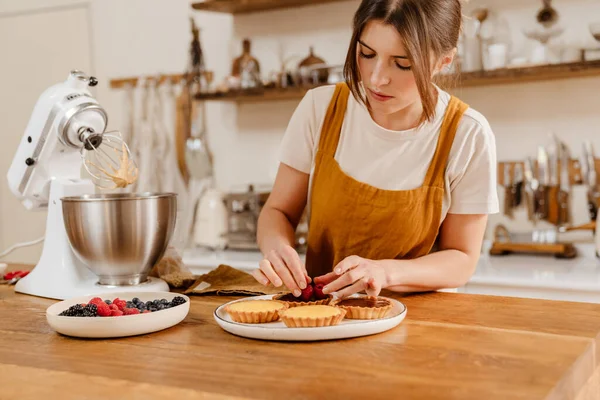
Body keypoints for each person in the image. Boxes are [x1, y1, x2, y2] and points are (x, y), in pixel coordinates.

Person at [252, 0, 499, 299]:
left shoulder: (466, 133)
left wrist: (384, 272)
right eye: (366, 54)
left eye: (403, 63)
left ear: (443, 61)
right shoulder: (321, 109)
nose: (376, 78)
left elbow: (462, 258)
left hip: (422, 326)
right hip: (322, 319)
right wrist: (278, 248)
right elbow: (277, 212)